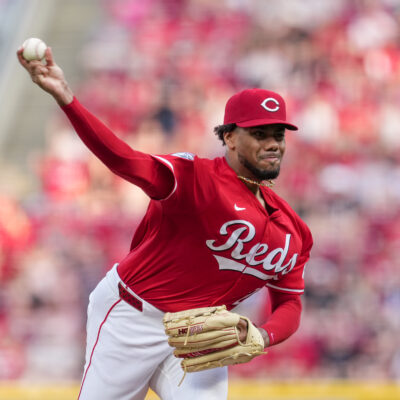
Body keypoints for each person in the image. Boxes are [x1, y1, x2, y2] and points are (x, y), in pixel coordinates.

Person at [17, 46, 313, 400]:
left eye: (278, 135)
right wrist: (68, 99)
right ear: (230, 137)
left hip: (199, 335)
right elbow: (124, 159)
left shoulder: (293, 232)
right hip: (131, 315)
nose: (272, 144)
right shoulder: (194, 178)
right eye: (260, 134)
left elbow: (290, 304)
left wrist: (263, 336)